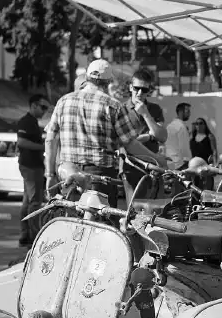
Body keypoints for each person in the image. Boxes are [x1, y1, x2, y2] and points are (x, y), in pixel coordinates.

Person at [45, 59, 163, 208]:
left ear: (87, 78)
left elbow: (50, 140)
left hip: (68, 174)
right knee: (102, 225)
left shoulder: (63, 101)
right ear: (108, 82)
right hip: (99, 177)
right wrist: (156, 158)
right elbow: (130, 144)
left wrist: (49, 174)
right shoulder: (113, 105)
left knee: (72, 221)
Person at [17, 94, 50, 247]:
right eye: (43, 107)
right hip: (30, 165)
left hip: (33, 165)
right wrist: (43, 147)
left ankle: (25, 234)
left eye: (46, 108)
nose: (44, 111)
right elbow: (22, 141)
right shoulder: (26, 121)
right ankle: (33, 235)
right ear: (33, 105)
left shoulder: (33, 122)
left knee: (28, 201)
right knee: (34, 202)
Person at [165, 102, 192, 169]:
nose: (189, 113)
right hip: (180, 164)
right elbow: (184, 146)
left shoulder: (169, 125)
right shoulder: (181, 126)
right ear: (180, 112)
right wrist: (187, 160)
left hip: (169, 162)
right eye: (187, 111)